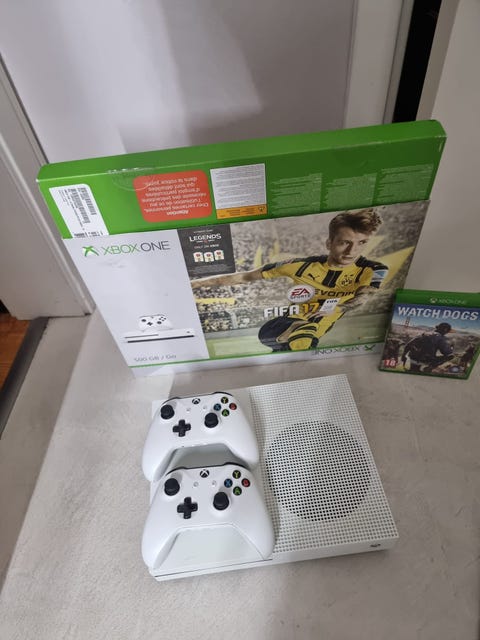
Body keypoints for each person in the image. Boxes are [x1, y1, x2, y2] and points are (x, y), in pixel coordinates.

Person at [190, 209, 388, 351]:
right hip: (289, 323)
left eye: (361, 243)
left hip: (315, 330)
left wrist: (337, 308)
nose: (352, 251)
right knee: (267, 336)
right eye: (345, 242)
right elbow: (243, 276)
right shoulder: (300, 266)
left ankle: (295, 333)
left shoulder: (374, 269)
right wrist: (194, 284)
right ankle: (293, 330)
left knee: (294, 347)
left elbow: (365, 296)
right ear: (329, 243)